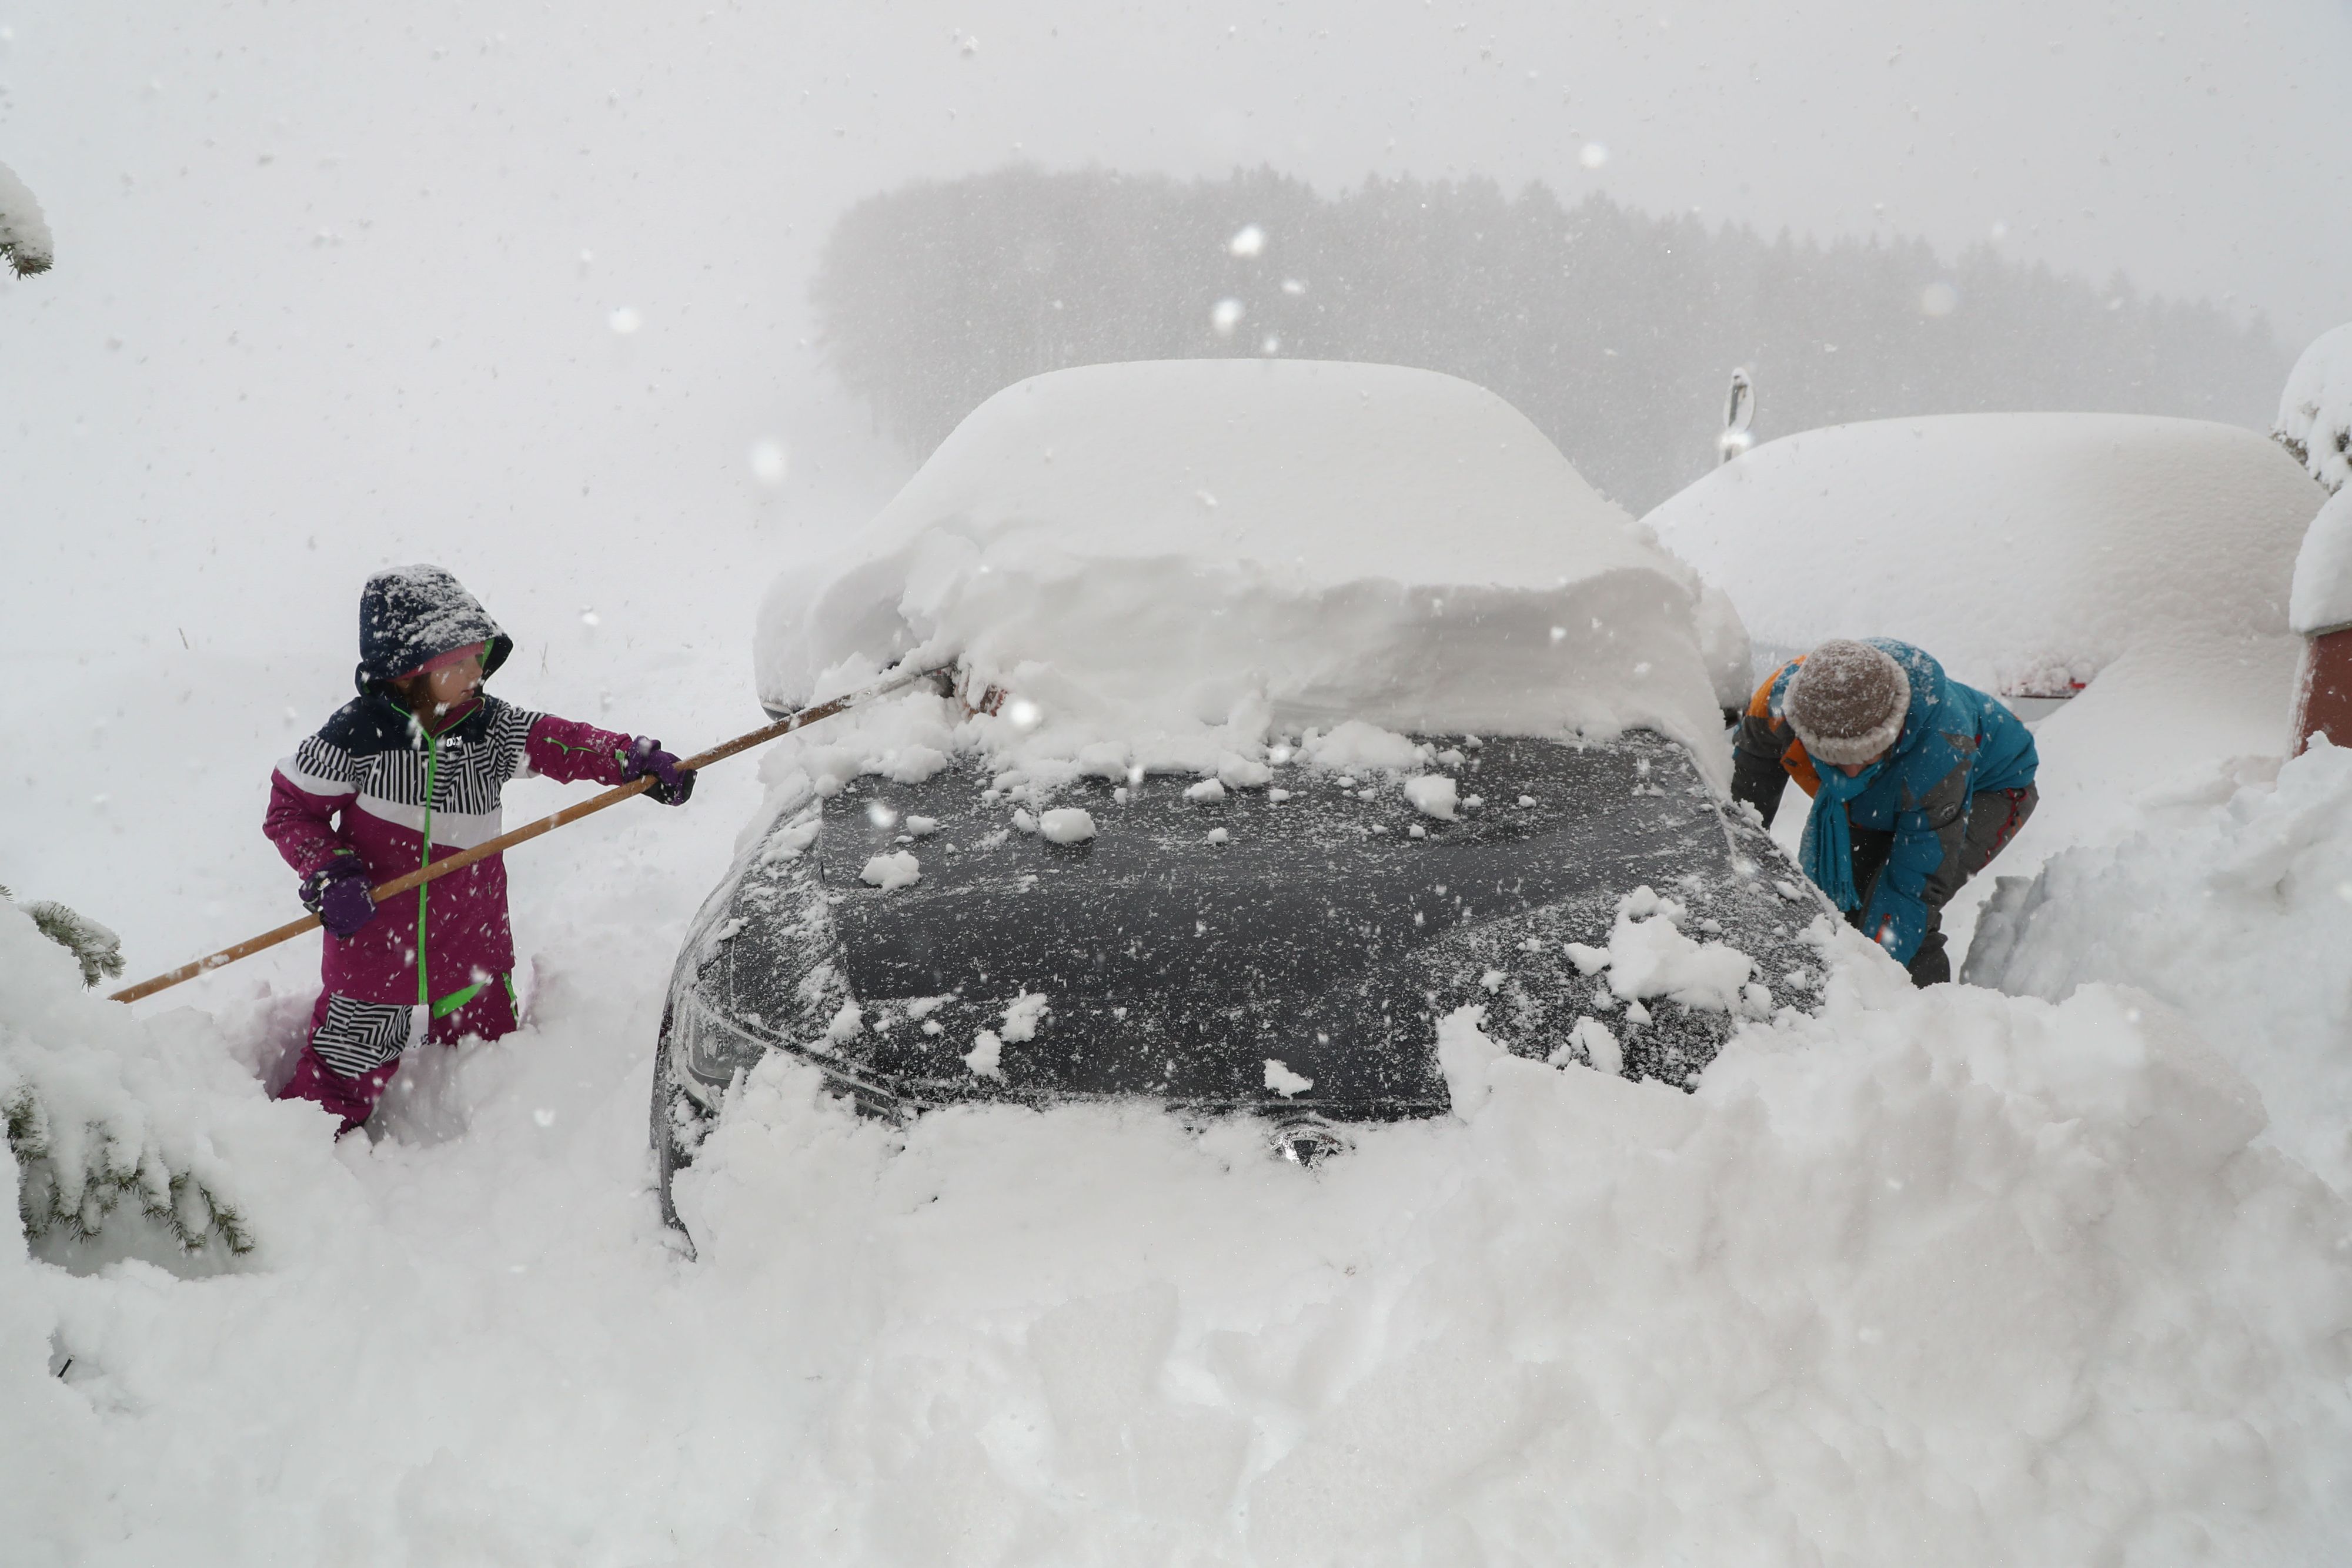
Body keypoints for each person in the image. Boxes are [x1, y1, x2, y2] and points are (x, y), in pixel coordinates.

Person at [265, 564, 694, 1134]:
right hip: (375, 943)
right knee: (347, 1061)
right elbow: (290, 810)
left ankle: (486, 1147)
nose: (476, 673)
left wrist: (629, 760)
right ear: (407, 671)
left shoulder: (488, 730)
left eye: (478, 657)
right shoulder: (354, 740)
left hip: (471, 936)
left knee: (487, 1059)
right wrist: (330, 873)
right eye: (458, 662)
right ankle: (297, 1153)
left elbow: (557, 742)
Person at [1730, 637, 2037, 987]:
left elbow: (1913, 888)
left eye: (1865, 756)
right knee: (1835, 909)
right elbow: (1737, 812)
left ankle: (1923, 1017)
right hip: (1897, 783)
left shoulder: (1940, 751)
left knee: (1900, 921)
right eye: (1833, 760)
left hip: (1991, 787)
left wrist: (1869, 981)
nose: (1850, 773)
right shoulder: (1779, 705)